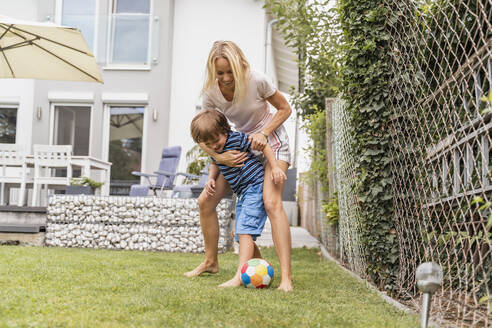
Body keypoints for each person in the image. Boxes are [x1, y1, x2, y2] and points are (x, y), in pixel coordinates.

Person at [184, 40, 294, 292]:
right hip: (239, 145)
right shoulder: (211, 92)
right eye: (219, 73)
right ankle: (211, 262)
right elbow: (205, 134)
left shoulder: (257, 79)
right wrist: (220, 158)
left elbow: (284, 108)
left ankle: (286, 278)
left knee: (271, 201)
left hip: (270, 140)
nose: (225, 78)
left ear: (241, 65)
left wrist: (264, 133)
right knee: (205, 201)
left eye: (230, 71)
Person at [190, 109, 286, 287]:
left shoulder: (235, 139)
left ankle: (239, 278)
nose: (215, 146)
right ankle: (261, 268)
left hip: (255, 187)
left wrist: (274, 168)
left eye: (217, 140)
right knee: (239, 234)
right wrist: (211, 178)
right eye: (209, 144)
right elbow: (214, 161)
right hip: (243, 192)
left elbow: (264, 145)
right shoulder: (215, 149)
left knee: (244, 232)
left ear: (225, 131)